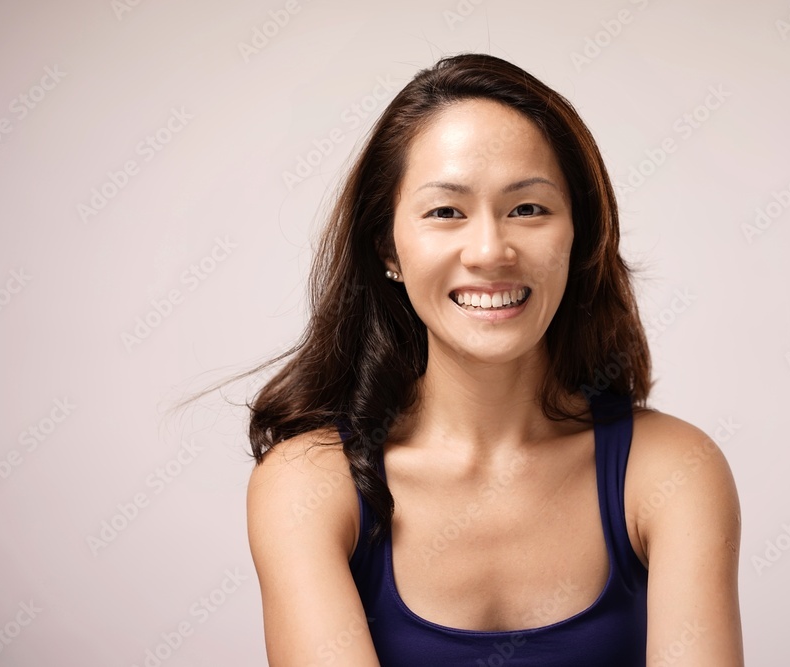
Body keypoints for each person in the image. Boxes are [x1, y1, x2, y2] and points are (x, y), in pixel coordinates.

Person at [242, 53, 744, 665]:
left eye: (528, 209)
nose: (490, 251)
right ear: (388, 248)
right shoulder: (309, 485)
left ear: (578, 235)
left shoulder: (672, 471)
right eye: (445, 212)